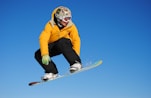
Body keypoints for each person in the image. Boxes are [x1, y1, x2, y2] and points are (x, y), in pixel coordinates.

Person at [34, 6, 82, 81]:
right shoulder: (50, 25)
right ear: (59, 18)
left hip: (65, 45)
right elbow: (43, 38)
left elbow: (76, 39)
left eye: (69, 18)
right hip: (54, 46)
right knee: (38, 54)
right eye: (66, 19)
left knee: (62, 41)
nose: (68, 21)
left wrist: (75, 56)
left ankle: (75, 63)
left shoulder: (71, 26)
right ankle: (52, 72)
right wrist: (44, 54)